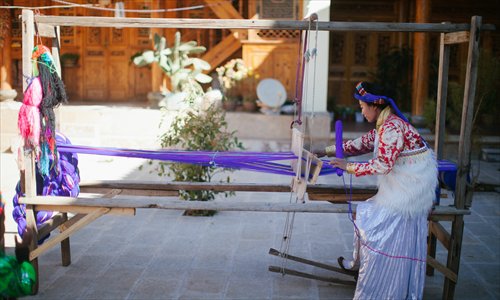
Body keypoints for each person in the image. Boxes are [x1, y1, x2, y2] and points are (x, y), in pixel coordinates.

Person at [316, 82, 438, 299]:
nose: (361, 111)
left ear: (375, 106)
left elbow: (383, 164)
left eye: (363, 106)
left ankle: (376, 279)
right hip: (401, 187)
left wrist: (348, 167)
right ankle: (361, 266)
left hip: (408, 193)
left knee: (367, 220)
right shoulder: (386, 124)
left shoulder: (391, 128)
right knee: (363, 215)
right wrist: (326, 150)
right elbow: (361, 143)